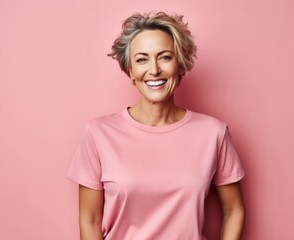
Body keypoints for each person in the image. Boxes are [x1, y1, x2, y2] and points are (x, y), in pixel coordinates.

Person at [67, 11, 245, 240]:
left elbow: (234, 210)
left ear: (180, 65)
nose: (153, 70)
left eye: (164, 57)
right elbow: (89, 220)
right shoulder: (98, 133)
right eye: (141, 59)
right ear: (130, 69)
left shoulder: (214, 133)